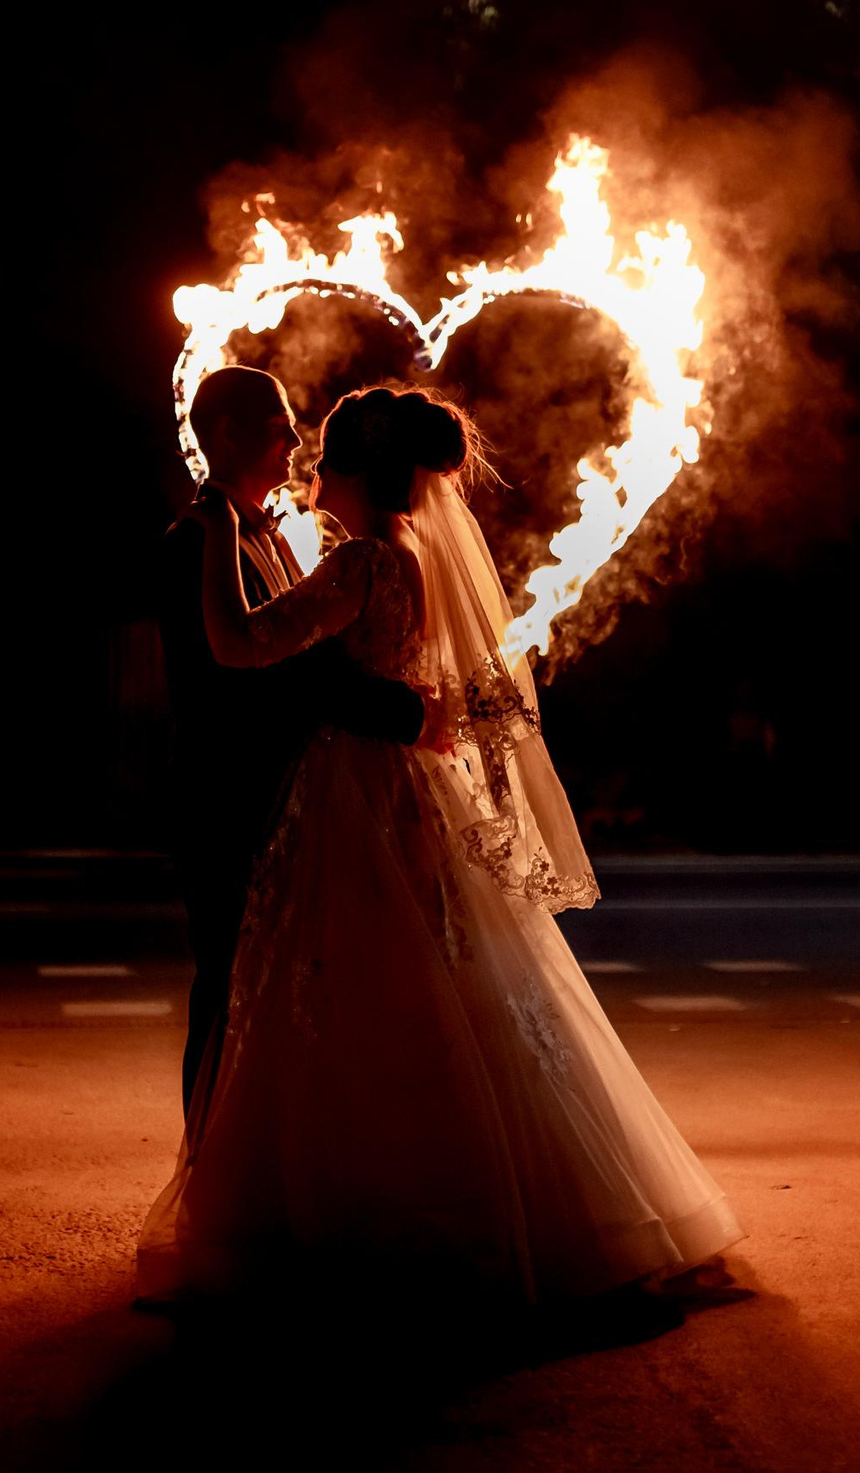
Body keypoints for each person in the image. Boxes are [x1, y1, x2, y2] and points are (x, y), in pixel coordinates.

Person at [138, 383, 741, 1312]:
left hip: (355, 795)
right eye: (283, 435)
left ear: (352, 467)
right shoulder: (400, 551)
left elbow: (250, 646)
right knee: (404, 992)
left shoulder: (360, 562)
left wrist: (227, 523)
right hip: (387, 789)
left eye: (317, 448)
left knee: (337, 997)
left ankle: (316, 1208)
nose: (302, 460)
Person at [156, 366, 427, 1114]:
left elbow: (311, 659)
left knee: (282, 992)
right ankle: (207, 1159)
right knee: (224, 986)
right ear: (231, 434)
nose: (296, 441)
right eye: (281, 427)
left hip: (287, 797)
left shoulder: (272, 536)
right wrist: (405, 714)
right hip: (227, 795)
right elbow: (288, 677)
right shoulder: (196, 541)